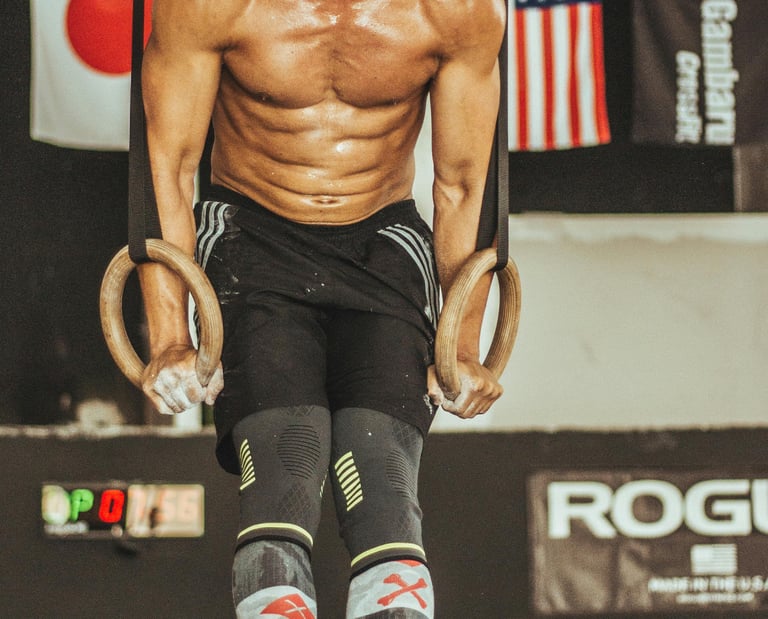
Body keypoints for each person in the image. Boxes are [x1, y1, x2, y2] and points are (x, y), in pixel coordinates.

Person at [137, 0, 505, 617]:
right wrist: (171, 336)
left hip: (383, 241)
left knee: (383, 476)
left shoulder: (458, 11)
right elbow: (167, 170)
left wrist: (462, 346)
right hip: (251, 237)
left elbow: (463, 185)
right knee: (287, 462)